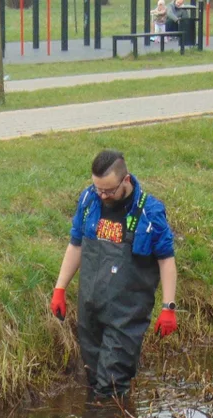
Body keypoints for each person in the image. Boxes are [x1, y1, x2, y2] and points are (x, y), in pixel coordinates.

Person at [50, 149, 179, 399]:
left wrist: (168, 307)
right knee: (92, 378)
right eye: (99, 189)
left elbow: (166, 260)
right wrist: (60, 289)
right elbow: (76, 244)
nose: (103, 195)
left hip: (126, 316)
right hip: (91, 309)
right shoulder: (89, 200)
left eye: (109, 190)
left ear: (126, 180)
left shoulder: (149, 212)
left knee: (110, 385)